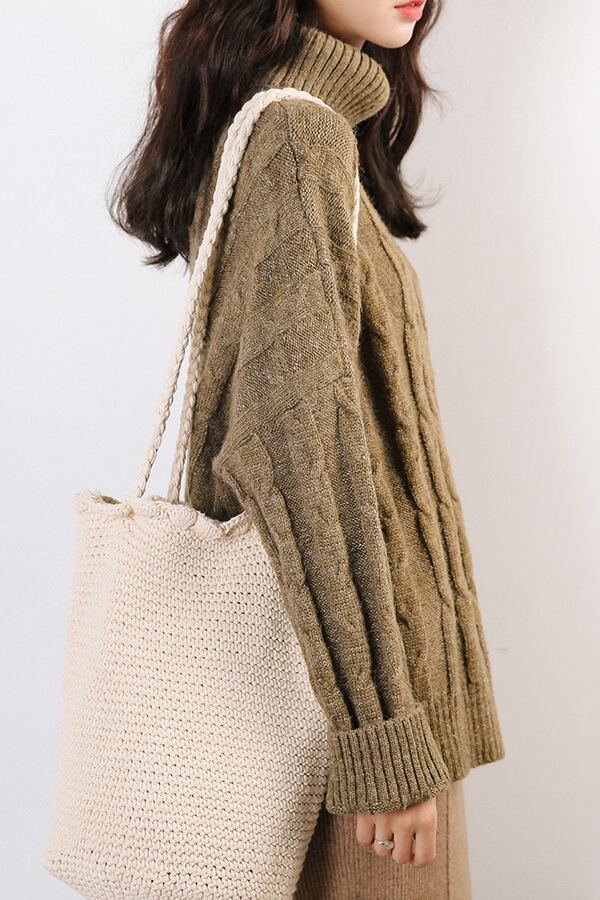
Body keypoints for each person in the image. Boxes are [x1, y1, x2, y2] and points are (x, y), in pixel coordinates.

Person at [110, 0, 506, 895]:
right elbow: (298, 458)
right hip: (353, 739)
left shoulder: (300, 127)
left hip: (361, 713)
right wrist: (383, 739)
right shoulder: (297, 137)